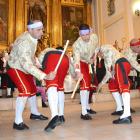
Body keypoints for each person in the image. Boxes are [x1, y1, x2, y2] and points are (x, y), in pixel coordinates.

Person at [6, 19, 56, 130]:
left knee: (32, 89)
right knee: (25, 91)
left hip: (24, 66)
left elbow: (29, 55)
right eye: (39, 30)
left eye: (42, 29)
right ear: (30, 30)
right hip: (15, 67)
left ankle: (34, 113)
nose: (41, 32)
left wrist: (32, 58)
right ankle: (17, 122)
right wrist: (45, 76)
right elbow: (27, 66)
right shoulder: (23, 42)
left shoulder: (33, 37)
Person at [38, 46, 77, 131]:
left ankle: (54, 116)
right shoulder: (66, 55)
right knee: (60, 87)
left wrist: (44, 70)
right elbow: (71, 68)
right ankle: (61, 115)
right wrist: (76, 77)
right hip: (65, 60)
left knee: (52, 85)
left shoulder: (48, 50)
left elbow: (40, 58)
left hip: (51, 58)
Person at [96, 44, 132, 124]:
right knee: (112, 85)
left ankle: (126, 115)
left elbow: (109, 50)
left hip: (121, 63)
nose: (98, 55)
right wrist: (101, 84)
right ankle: (120, 109)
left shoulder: (104, 47)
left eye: (97, 53)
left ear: (99, 51)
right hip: (119, 65)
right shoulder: (105, 59)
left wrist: (109, 65)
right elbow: (109, 73)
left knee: (123, 86)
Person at [72, 23, 98, 120]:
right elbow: (76, 60)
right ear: (79, 34)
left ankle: (87, 107)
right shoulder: (76, 45)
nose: (85, 37)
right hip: (82, 63)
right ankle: (83, 113)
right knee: (85, 85)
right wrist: (78, 72)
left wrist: (93, 58)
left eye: (87, 35)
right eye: (82, 35)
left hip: (89, 63)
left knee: (88, 85)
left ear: (90, 32)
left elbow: (95, 48)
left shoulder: (94, 37)